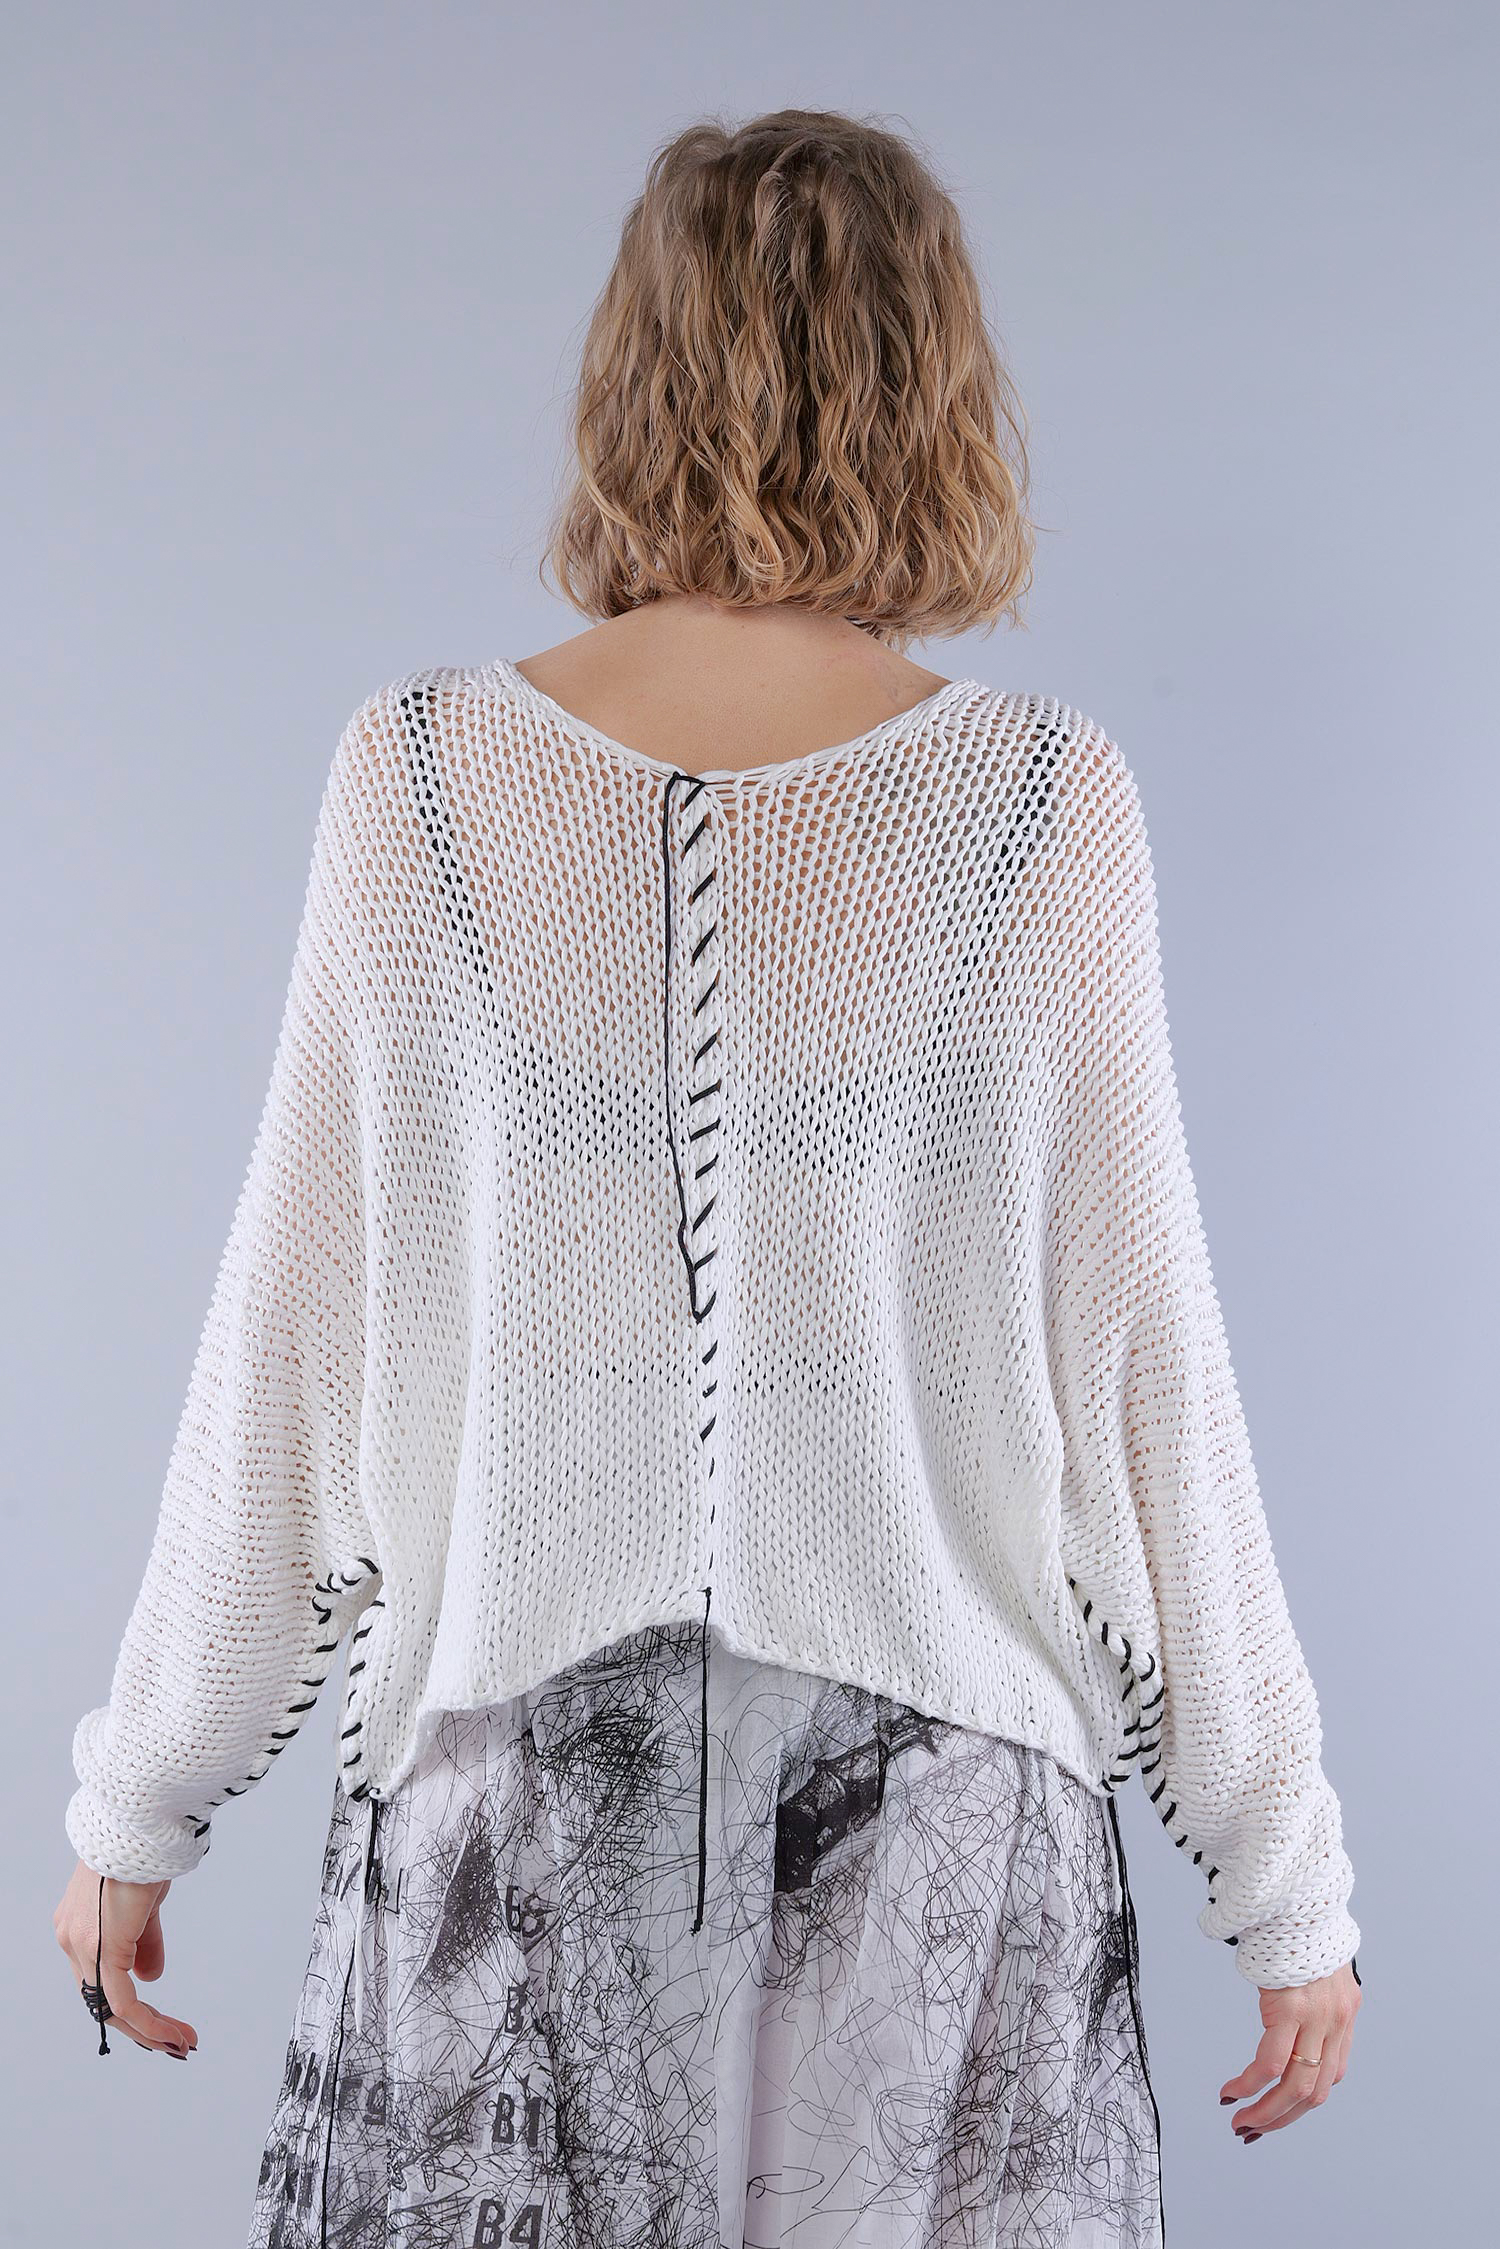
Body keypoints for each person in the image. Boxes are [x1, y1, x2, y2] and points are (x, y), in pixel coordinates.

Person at [54, 106, 1360, 2248]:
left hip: (519, 1812)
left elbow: (289, 1338)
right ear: (937, 386)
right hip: (942, 1829)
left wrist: (141, 1798)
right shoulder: (1042, 804)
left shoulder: (423, 779)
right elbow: (1152, 1379)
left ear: (630, 375)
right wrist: (1283, 1875)